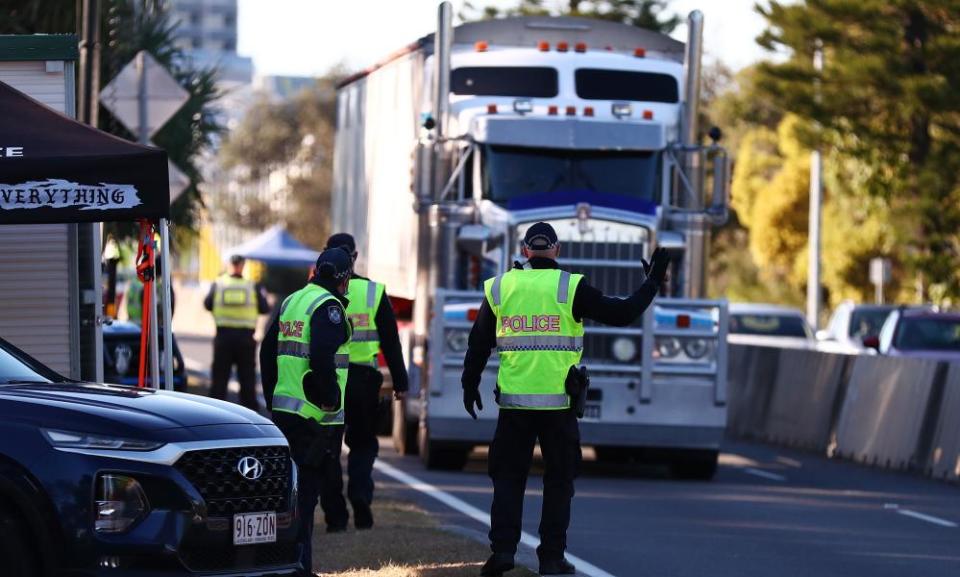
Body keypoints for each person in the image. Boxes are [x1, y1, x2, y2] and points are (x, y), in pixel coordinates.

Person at [461, 222, 669, 576]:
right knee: (559, 481)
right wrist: (651, 284)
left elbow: (479, 341)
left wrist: (470, 384)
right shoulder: (570, 286)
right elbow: (621, 314)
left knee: (509, 479)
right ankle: (551, 558)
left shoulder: (502, 287)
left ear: (525, 251)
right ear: (555, 250)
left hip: (514, 405)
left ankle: (503, 553)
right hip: (559, 407)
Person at [260, 249, 354, 575]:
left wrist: (272, 394)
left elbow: (267, 350)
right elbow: (322, 357)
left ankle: (288, 565)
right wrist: (329, 397)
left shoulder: (293, 300)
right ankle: (300, 568)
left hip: (287, 411)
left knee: (288, 492)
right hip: (313, 417)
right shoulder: (328, 308)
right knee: (306, 496)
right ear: (342, 278)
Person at [324, 233, 409, 529]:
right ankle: (360, 494)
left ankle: (335, 515)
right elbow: (391, 341)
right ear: (355, 256)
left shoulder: (319, 293)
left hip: (330, 378)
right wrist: (400, 381)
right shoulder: (373, 293)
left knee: (329, 448)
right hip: (363, 380)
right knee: (362, 444)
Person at [203, 255, 269, 411]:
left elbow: (207, 304)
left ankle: (213, 415)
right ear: (243, 266)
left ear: (229, 265)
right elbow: (265, 308)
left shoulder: (218, 284)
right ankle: (251, 417)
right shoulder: (252, 286)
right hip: (245, 340)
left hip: (223, 338)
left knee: (219, 381)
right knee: (247, 382)